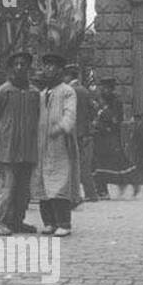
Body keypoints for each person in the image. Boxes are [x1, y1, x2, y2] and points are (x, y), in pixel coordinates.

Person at [0, 51, 41, 236]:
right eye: (16, 64)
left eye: (23, 64)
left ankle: (18, 221)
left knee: (24, 191)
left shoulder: (35, 93)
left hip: (28, 150)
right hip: (7, 150)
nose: (19, 67)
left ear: (28, 68)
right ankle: (2, 222)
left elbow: (40, 119)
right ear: (11, 68)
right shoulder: (4, 91)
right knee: (8, 188)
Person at [32, 53, 77, 237]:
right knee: (43, 182)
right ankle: (49, 222)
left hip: (60, 142)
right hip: (42, 144)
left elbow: (70, 114)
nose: (49, 69)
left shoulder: (67, 91)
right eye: (46, 66)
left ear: (60, 70)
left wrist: (61, 127)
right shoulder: (42, 94)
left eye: (53, 66)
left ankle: (64, 223)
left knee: (59, 181)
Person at [89, 78, 135, 196]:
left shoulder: (116, 101)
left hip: (111, 136)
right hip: (99, 136)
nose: (104, 90)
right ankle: (102, 190)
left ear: (111, 89)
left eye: (107, 88)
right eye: (103, 88)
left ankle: (132, 180)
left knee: (117, 162)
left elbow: (116, 119)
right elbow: (94, 116)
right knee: (98, 163)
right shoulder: (98, 101)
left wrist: (103, 112)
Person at [65, 65, 99, 203]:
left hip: (73, 133)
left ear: (68, 76)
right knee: (84, 165)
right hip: (85, 132)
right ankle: (90, 193)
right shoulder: (84, 91)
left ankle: (73, 194)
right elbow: (93, 111)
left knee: (73, 164)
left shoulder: (69, 91)